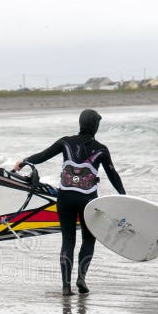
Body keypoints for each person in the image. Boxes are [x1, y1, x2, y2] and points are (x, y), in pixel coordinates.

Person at [15, 109, 126, 296]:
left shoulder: (65, 142)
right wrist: (123, 196)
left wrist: (23, 162)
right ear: (96, 126)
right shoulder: (101, 149)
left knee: (68, 241)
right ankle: (81, 278)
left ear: (80, 124)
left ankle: (66, 287)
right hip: (88, 200)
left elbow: (42, 156)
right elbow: (113, 175)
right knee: (88, 239)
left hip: (65, 198)